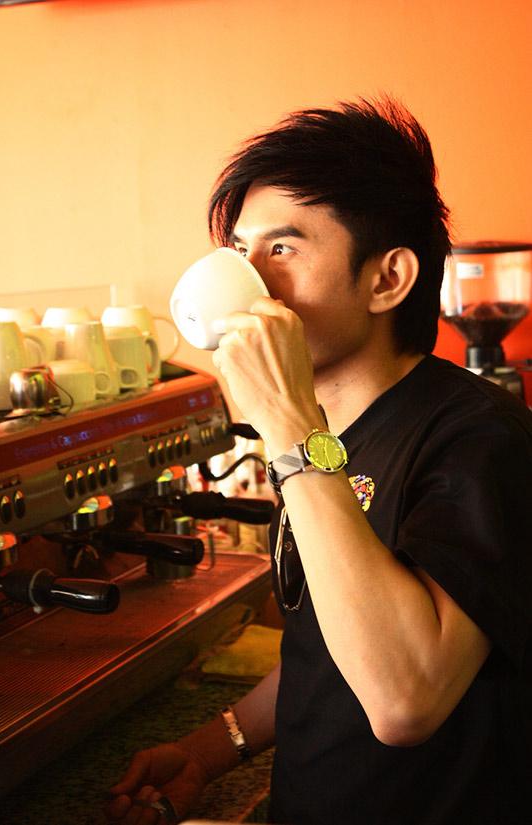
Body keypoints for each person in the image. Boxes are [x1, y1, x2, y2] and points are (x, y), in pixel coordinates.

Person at [105, 98, 532, 824]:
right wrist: (211, 748)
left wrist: (288, 425)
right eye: (240, 251)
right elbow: (336, 643)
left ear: (387, 279)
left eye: (282, 249)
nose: (248, 281)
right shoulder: (324, 438)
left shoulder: (479, 438)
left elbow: (406, 700)